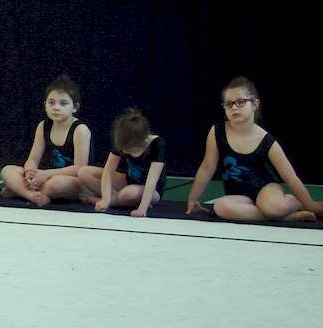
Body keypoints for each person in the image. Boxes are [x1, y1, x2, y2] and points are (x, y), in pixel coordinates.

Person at [186, 77, 321, 222]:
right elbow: (207, 167)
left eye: (240, 102)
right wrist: (194, 199)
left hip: (266, 189)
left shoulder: (265, 140)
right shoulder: (217, 132)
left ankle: (295, 203)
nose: (234, 107)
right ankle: (287, 217)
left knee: (274, 207)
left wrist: (310, 205)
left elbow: (290, 177)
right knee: (221, 207)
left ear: (255, 104)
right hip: (239, 196)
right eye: (229, 104)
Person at [0, 75, 90, 205]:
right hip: (46, 175)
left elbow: (80, 169)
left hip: (71, 180)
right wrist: (29, 172)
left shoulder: (80, 129)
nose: (56, 107)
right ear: (45, 105)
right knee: (7, 171)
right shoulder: (43, 126)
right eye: (51, 103)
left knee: (55, 184)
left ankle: (20, 190)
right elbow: (33, 158)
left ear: (75, 107)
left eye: (63, 103)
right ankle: (32, 195)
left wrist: (46, 174)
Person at [79, 108, 167, 218]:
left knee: (128, 193)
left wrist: (142, 208)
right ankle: (113, 200)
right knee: (84, 172)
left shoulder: (157, 145)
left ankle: (112, 201)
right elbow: (108, 173)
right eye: (123, 149)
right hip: (128, 180)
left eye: (130, 150)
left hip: (152, 191)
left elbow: (151, 181)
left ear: (143, 141)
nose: (125, 152)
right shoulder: (123, 140)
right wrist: (105, 199)